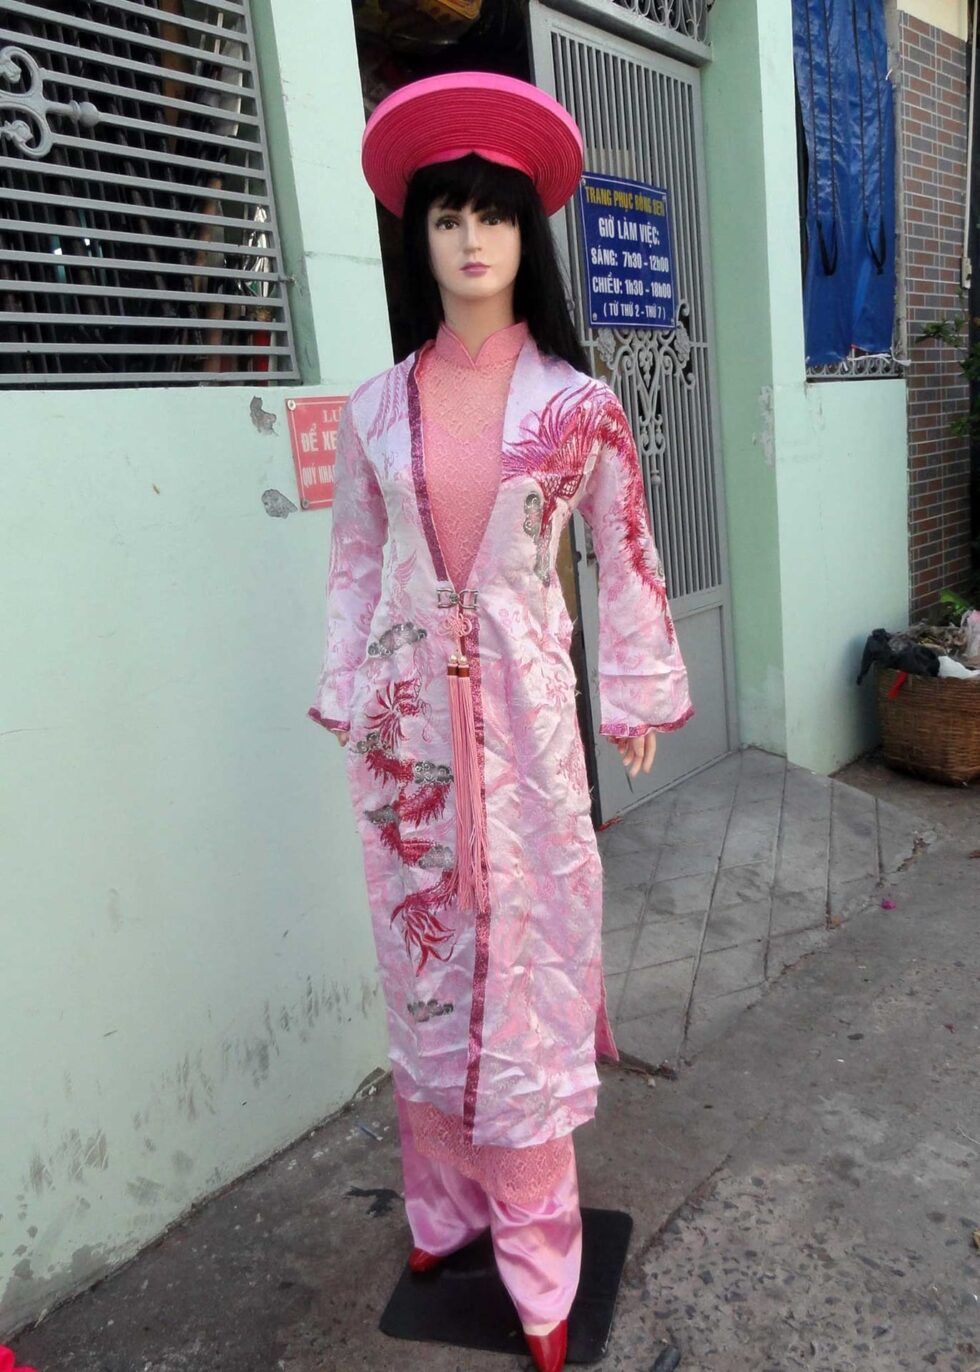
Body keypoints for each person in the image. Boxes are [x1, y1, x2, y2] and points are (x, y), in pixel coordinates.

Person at [309, 71, 693, 1372]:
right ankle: (438, 1210)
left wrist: (634, 693)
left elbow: (627, 556)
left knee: (523, 992)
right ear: (417, 239)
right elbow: (357, 563)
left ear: (528, 234)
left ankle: (538, 1255)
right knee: (424, 976)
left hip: (528, 743)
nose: (471, 239)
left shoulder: (578, 406)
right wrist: (348, 688)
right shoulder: (375, 409)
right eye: (446, 217)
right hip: (407, 745)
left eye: (494, 215)